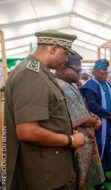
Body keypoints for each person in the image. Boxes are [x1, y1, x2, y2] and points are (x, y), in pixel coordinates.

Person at [4, 30, 86, 190]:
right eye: (65, 53)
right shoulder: (31, 74)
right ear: (53, 49)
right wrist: (70, 140)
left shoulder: (39, 72)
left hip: (47, 168)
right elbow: (27, 131)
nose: (67, 59)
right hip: (42, 175)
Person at [55, 52, 107, 190]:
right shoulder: (62, 86)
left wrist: (94, 119)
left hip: (84, 135)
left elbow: (83, 108)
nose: (80, 74)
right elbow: (80, 117)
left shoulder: (69, 84)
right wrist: (95, 121)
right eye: (77, 70)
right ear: (63, 68)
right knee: (77, 177)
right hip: (76, 139)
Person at [80, 58, 111, 183]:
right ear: (94, 71)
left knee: (109, 149)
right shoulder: (89, 87)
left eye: (106, 73)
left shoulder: (108, 85)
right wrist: (107, 114)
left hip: (109, 125)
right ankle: (97, 180)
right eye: (101, 73)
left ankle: (104, 174)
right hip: (98, 125)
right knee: (98, 149)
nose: (104, 75)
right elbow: (92, 105)